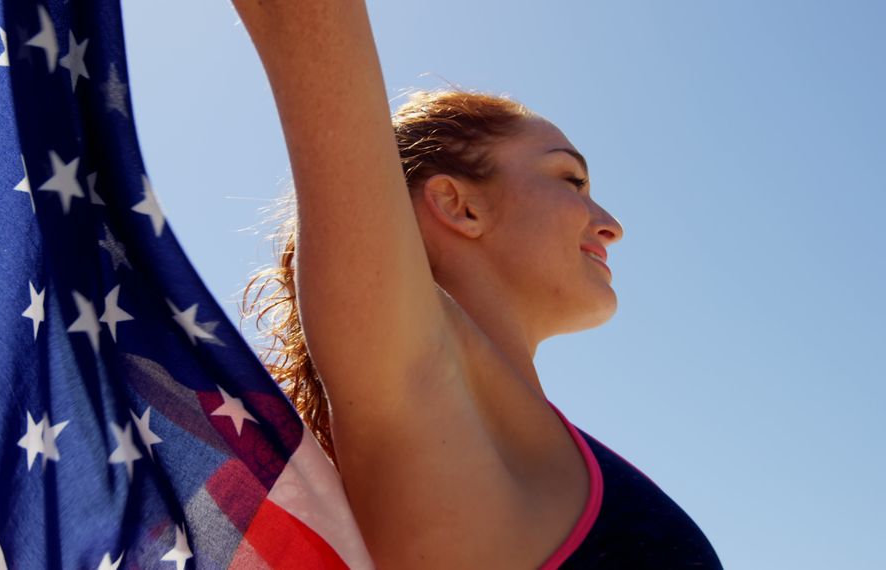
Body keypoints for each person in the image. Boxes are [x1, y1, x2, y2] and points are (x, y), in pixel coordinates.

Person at [234, 1, 722, 567]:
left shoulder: (550, 445)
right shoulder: (420, 390)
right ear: (457, 206)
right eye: (571, 178)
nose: (611, 225)